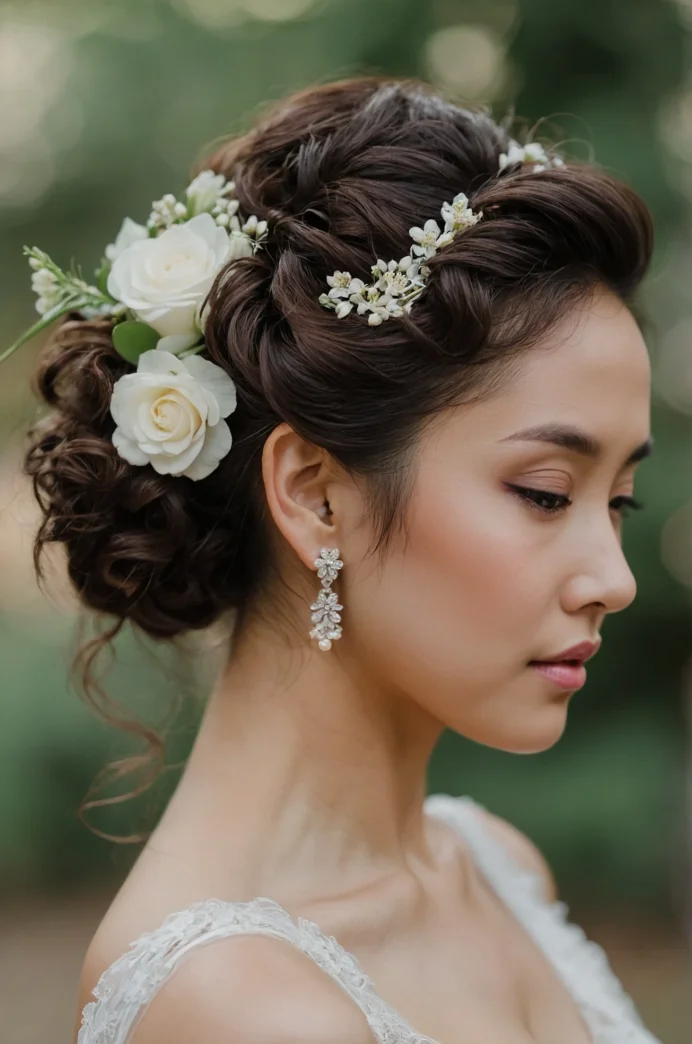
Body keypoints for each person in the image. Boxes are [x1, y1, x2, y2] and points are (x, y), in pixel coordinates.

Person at [11, 77, 660, 1043]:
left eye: (618, 503)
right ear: (316, 495)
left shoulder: (497, 866)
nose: (614, 578)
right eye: (546, 495)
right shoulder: (232, 1005)